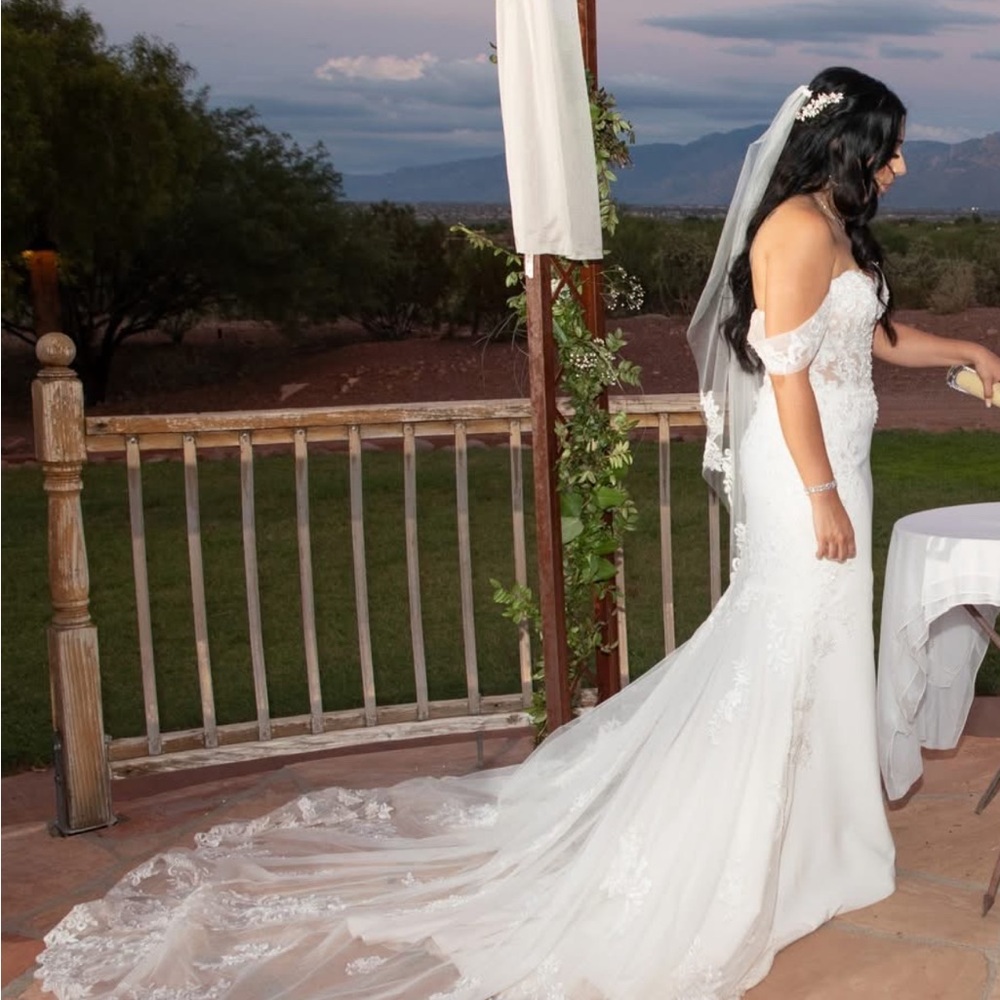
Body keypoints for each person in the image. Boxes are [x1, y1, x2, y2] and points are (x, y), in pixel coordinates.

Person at [36, 67, 1000, 1000]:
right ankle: (766, 847)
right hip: (805, 474)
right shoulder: (792, 229)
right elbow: (787, 376)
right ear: (842, 143)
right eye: (893, 150)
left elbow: (872, 339)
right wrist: (822, 492)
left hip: (838, 464)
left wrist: (968, 348)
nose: (902, 167)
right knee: (788, 641)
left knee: (822, 646)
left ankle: (824, 837)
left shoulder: (835, 224)